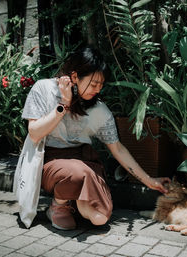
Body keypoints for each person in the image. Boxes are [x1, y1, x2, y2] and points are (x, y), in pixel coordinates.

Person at [21, 47, 171, 230]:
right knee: (77, 173)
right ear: (75, 77)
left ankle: (75, 201)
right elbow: (35, 133)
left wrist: (149, 181)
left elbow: (118, 149)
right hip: (52, 162)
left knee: (100, 217)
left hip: (85, 162)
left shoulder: (100, 110)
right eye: (93, 84)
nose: (98, 90)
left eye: (101, 85)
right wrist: (64, 104)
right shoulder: (44, 89)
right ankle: (58, 206)